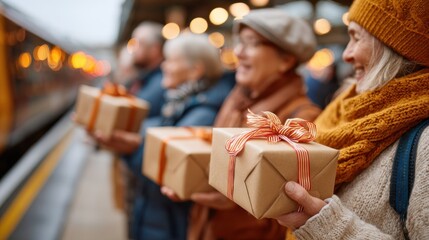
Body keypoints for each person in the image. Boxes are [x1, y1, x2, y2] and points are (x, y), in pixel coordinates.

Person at [275, 0, 429, 239]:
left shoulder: (425, 142)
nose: (346, 54)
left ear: (393, 47)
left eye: (356, 37)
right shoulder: (343, 106)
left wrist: (328, 227)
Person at [168, 8, 322, 240]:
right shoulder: (236, 99)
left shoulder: (302, 119)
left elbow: (289, 211)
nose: (238, 52)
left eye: (251, 43)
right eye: (239, 42)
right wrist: (191, 185)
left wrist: (228, 198)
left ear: (286, 60)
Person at [98, 32, 235, 239]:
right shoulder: (181, 103)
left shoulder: (203, 114)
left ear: (195, 70)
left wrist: (131, 147)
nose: (163, 66)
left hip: (171, 225)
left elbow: (171, 167)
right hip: (161, 219)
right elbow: (161, 130)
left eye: (171, 61)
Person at [90, 21, 166, 239]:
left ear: (155, 49)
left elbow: (132, 120)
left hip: (143, 170)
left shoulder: (158, 83)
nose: (133, 49)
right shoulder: (142, 80)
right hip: (135, 168)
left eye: (138, 43)